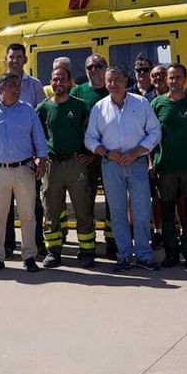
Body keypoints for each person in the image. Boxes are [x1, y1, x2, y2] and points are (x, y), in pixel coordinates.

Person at [85, 66, 162, 272]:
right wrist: (107, 153)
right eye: (109, 80)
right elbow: (89, 138)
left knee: (142, 210)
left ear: (126, 80)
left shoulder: (141, 103)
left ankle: (144, 255)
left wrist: (137, 151)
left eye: (117, 79)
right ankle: (124, 255)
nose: (113, 84)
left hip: (136, 163)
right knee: (117, 212)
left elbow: (155, 131)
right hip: (111, 165)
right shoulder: (99, 108)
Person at [0, 72, 49, 274]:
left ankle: (29, 256)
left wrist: (42, 159)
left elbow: (39, 138)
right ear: (1, 89)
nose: (18, 89)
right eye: (13, 86)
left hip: (24, 170)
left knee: (28, 215)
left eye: (19, 86)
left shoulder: (28, 111)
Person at [36, 62, 97, 267]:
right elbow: (35, 135)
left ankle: (87, 250)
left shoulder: (80, 106)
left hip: (75, 164)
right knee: (51, 211)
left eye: (62, 79)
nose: (58, 82)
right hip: (52, 165)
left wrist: (90, 154)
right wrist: (39, 157)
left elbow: (93, 132)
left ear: (70, 82)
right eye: (54, 79)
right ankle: (54, 251)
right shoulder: (43, 108)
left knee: (83, 210)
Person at [151, 63, 187, 269]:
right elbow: (151, 136)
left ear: (184, 80)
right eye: (171, 78)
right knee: (167, 213)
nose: (174, 81)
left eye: (177, 78)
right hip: (165, 167)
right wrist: (152, 163)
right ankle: (171, 253)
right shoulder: (156, 104)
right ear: (166, 80)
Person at [0, 43, 46, 258]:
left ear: (25, 60)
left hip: (28, 157)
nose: (15, 60)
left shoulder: (35, 86)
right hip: (3, 156)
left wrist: (39, 155)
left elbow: (40, 121)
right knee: (5, 207)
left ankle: (36, 244)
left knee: (32, 205)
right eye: (11, 57)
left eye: (19, 56)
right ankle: (7, 246)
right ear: (6, 60)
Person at [71, 54, 114, 257]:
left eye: (98, 66)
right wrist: (85, 153)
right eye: (90, 67)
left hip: (110, 157)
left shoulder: (112, 90)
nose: (94, 70)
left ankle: (113, 243)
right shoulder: (78, 92)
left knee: (113, 202)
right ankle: (87, 246)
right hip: (85, 158)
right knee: (84, 203)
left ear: (106, 68)